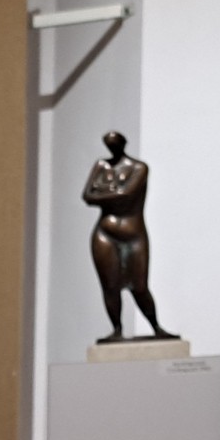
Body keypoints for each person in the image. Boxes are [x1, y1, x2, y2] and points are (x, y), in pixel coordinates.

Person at [83, 131, 174, 342]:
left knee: (139, 286)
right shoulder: (102, 165)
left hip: (133, 234)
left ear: (123, 143)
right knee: (110, 286)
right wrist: (114, 192)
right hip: (105, 233)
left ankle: (156, 327)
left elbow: (126, 195)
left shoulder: (139, 167)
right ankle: (116, 329)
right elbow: (87, 196)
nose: (110, 146)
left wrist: (102, 191)